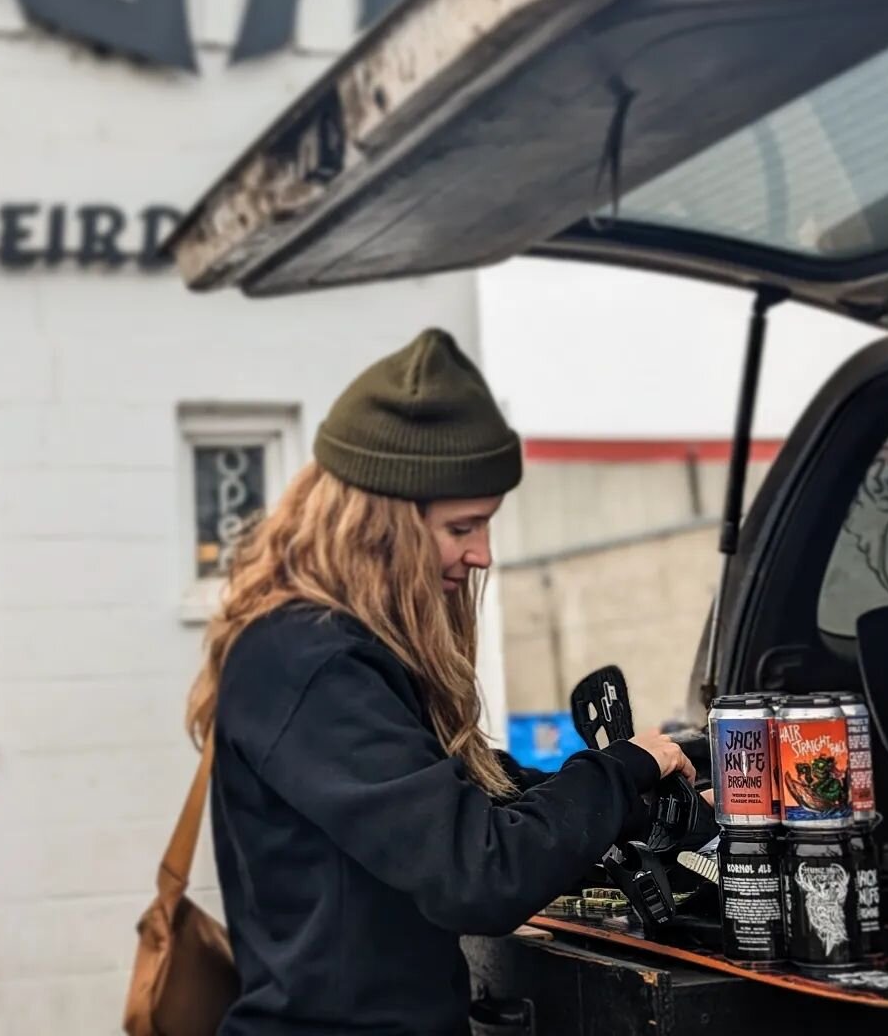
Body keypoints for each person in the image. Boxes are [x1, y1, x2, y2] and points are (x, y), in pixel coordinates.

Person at [187, 329, 694, 1036]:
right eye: (463, 526)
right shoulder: (311, 660)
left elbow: (463, 799)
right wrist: (621, 770)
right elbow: (478, 873)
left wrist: (638, 798)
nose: (482, 554)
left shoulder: (336, 650)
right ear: (382, 524)